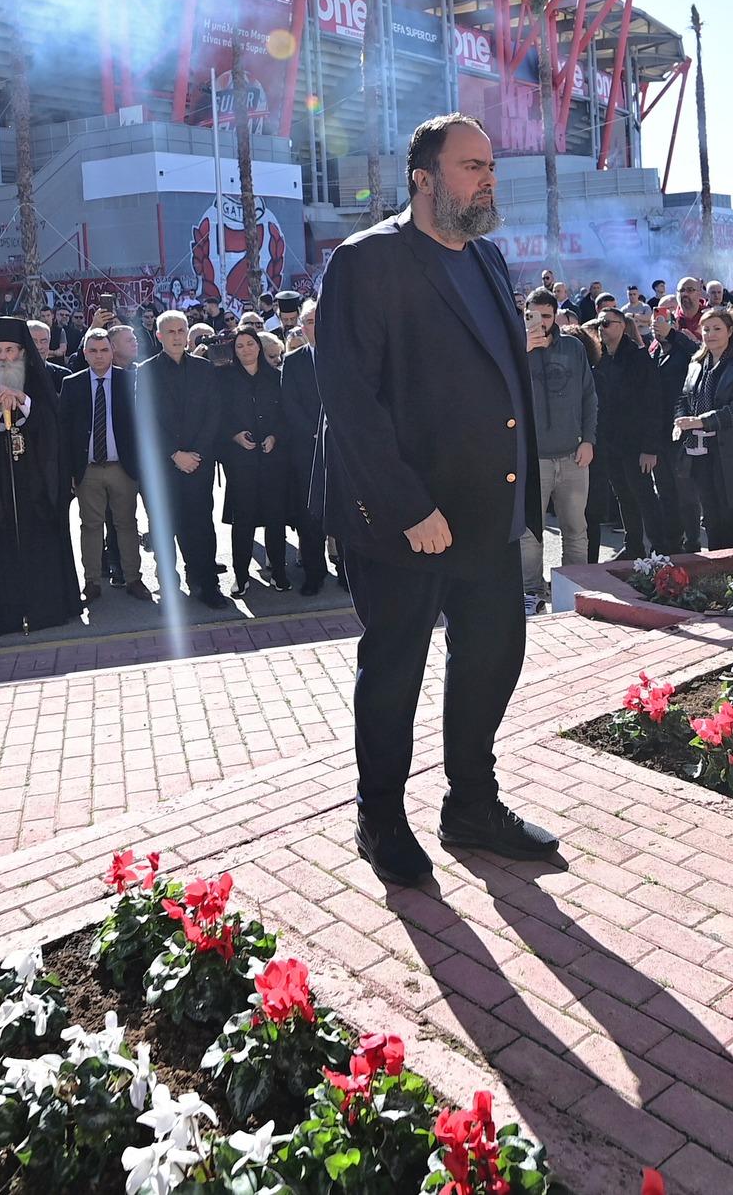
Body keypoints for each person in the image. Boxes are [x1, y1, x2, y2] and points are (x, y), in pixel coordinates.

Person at [317, 112, 558, 889]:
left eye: (491, 166)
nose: (489, 179)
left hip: (488, 514)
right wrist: (407, 507)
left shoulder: (486, 257)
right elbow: (349, 401)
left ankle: (472, 804)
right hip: (408, 524)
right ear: (424, 178)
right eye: (471, 166)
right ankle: (380, 814)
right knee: (395, 671)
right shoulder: (366, 261)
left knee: (493, 655)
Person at [0, 317, 80, 635]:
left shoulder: (39, 380)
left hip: (37, 482)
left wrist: (24, 403)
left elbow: (54, 424)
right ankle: (5, 618)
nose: (3, 357)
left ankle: (46, 611)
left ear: (22, 352)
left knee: (42, 545)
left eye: (10, 350)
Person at [138, 310, 229, 607]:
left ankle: (206, 583)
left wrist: (195, 454)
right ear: (159, 336)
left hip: (199, 464)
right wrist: (174, 454)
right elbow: (145, 418)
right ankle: (170, 588)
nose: (177, 337)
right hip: (164, 466)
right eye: (171, 332)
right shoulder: (146, 371)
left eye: (181, 331)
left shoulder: (204, 368)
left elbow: (214, 412)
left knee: (200, 525)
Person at [60, 328, 151, 602]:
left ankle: (134, 578)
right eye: (93, 351)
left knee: (126, 524)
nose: (99, 356)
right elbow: (64, 430)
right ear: (85, 354)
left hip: (122, 467)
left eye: (104, 350)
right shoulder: (72, 383)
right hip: (88, 469)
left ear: (112, 352)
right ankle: (91, 582)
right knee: (90, 526)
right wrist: (69, 471)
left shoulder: (129, 381)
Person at [520, 285, 596, 611]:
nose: (540, 322)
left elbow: (589, 396)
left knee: (576, 530)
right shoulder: (513, 347)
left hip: (572, 455)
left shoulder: (573, 347)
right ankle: (531, 593)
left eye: (547, 316)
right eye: (532, 316)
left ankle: (574, 591)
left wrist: (589, 440)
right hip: (532, 458)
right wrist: (521, 350)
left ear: (556, 316)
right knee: (529, 533)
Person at [673, 306, 733, 550]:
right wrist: (681, 420)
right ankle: (716, 566)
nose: (710, 334)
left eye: (717, 329)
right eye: (706, 329)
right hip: (701, 451)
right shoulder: (696, 363)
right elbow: (684, 398)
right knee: (712, 517)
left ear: (730, 331)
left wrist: (703, 421)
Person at [219, 326, 291, 595]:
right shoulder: (225, 379)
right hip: (240, 461)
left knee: (275, 517)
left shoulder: (276, 377)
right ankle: (241, 575)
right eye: (239, 346)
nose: (246, 350)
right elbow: (219, 414)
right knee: (243, 520)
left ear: (259, 346)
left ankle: (279, 573)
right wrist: (234, 435)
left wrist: (275, 436)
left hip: (272, 459)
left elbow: (286, 415)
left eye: (250, 344)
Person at [586, 304, 659, 562]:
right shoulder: (600, 359)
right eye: (599, 324)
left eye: (607, 323)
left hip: (636, 442)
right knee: (623, 496)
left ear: (622, 326)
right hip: (611, 442)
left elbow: (653, 404)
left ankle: (659, 547)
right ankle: (633, 545)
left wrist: (650, 448)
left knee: (644, 496)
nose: (602, 329)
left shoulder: (638, 358)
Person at [649, 281, 705, 550]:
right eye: (658, 316)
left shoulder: (687, 344)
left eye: (666, 317)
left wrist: (674, 336)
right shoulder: (655, 349)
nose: (660, 322)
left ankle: (693, 542)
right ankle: (671, 542)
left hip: (684, 426)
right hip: (659, 429)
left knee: (686, 491)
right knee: (665, 490)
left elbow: (700, 357)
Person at [280, 299, 328, 594]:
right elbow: (290, 404)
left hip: (342, 451)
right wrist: (315, 434)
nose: (315, 326)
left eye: (319, 320)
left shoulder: (346, 356)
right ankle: (314, 573)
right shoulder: (293, 361)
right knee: (310, 519)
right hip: (306, 453)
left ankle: (347, 573)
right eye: (309, 322)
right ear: (301, 327)